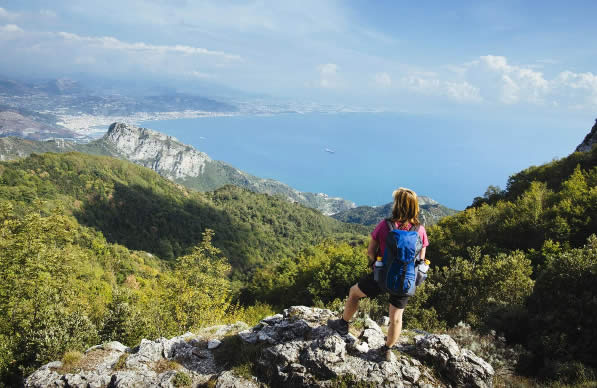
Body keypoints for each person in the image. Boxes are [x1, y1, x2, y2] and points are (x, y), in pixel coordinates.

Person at [328, 187, 429, 361]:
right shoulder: (420, 230)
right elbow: (421, 259)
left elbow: (370, 251)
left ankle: (343, 325)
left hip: (381, 277)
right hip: (404, 281)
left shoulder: (385, 225)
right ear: (415, 207)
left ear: (397, 205)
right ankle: (387, 350)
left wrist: (376, 262)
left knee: (354, 293)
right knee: (396, 317)